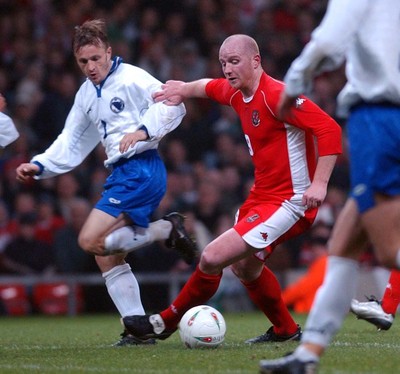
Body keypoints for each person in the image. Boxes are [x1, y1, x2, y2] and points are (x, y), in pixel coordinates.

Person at [121, 34, 342, 344]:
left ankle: (162, 322)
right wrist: (183, 89)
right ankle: (285, 331)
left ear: (256, 61)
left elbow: (329, 128)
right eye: (223, 62)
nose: (227, 68)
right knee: (245, 269)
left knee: (211, 257)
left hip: (290, 202)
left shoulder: (278, 96)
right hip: (262, 198)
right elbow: (208, 86)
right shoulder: (237, 92)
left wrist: (319, 183)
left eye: (234, 61)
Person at [15, 19, 197, 346]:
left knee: (88, 239)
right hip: (122, 174)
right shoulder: (87, 94)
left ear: (109, 53)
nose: (91, 67)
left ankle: (166, 230)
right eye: (83, 61)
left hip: (142, 168)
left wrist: (142, 131)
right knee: (105, 255)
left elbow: (174, 105)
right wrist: (39, 164)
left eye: (96, 58)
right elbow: (72, 140)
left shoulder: (133, 78)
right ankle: (138, 328)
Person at [259, 1, 400, 373]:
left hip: (379, 117)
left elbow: (328, 42)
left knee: (389, 251)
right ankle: (308, 355)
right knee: (342, 248)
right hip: (390, 117)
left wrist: (293, 84)